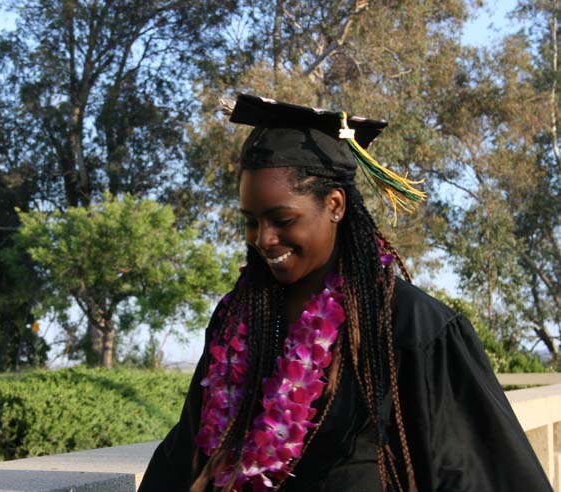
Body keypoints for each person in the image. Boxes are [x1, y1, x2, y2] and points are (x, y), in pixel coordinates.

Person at [137, 94, 552, 492]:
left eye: (282, 219)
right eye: (250, 221)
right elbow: (187, 456)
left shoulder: (411, 326)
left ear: (335, 204)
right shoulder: (236, 323)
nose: (263, 239)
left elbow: (473, 472)